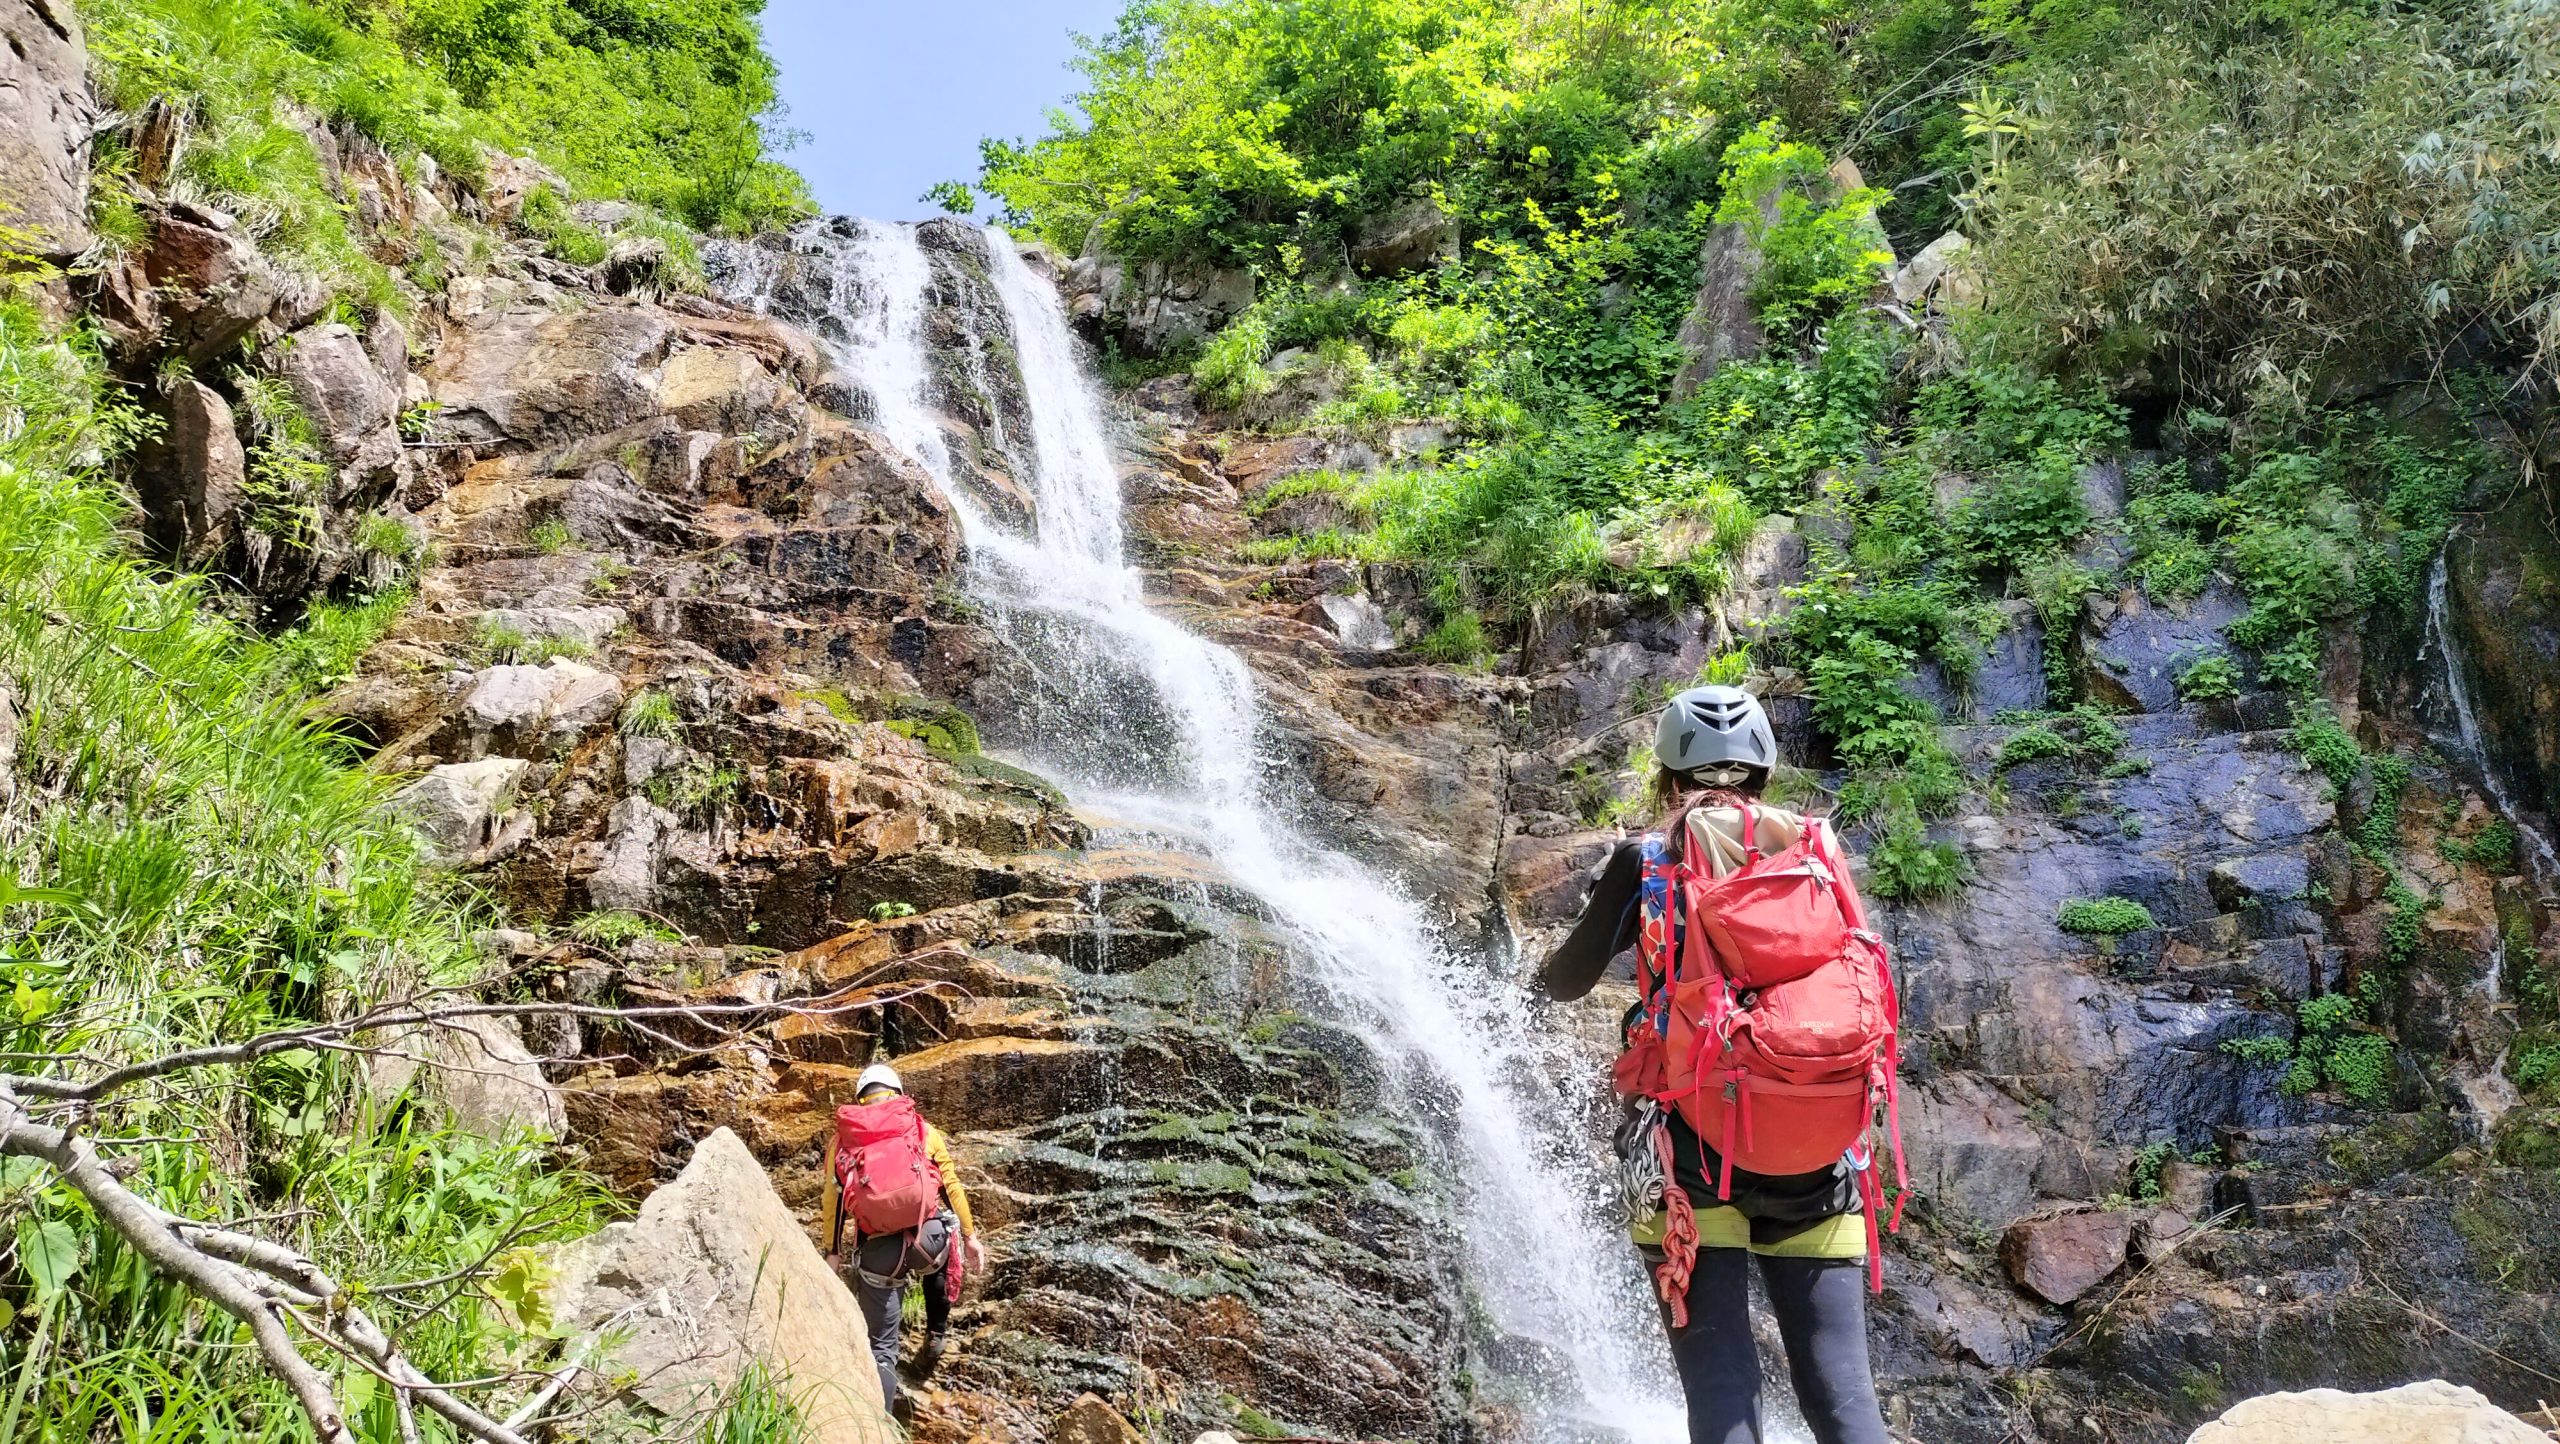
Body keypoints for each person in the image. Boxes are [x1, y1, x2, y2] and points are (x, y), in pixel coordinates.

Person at [1538, 684, 1892, 1444]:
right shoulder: (1820, 853)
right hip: (1821, 1151)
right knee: (1843, 1399)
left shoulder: (1651, 862)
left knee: (1723, 1388)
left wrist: (1517, 988)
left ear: (1667, 775)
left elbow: (1566, 981)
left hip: (1690, 1155)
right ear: (1762, 774)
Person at [820, 1062, 988, 1422]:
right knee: (943, 1247)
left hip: (879, 1254)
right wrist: (971, 1238)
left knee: (882, 1349)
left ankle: (880, 1428)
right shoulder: (921, 1129)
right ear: (897, 1092)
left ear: (861, 1099)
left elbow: (833, 1201)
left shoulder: (843, 1140)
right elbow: (950, 1187)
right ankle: (936, 1335)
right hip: (926, 1244)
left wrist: (833, 1253)